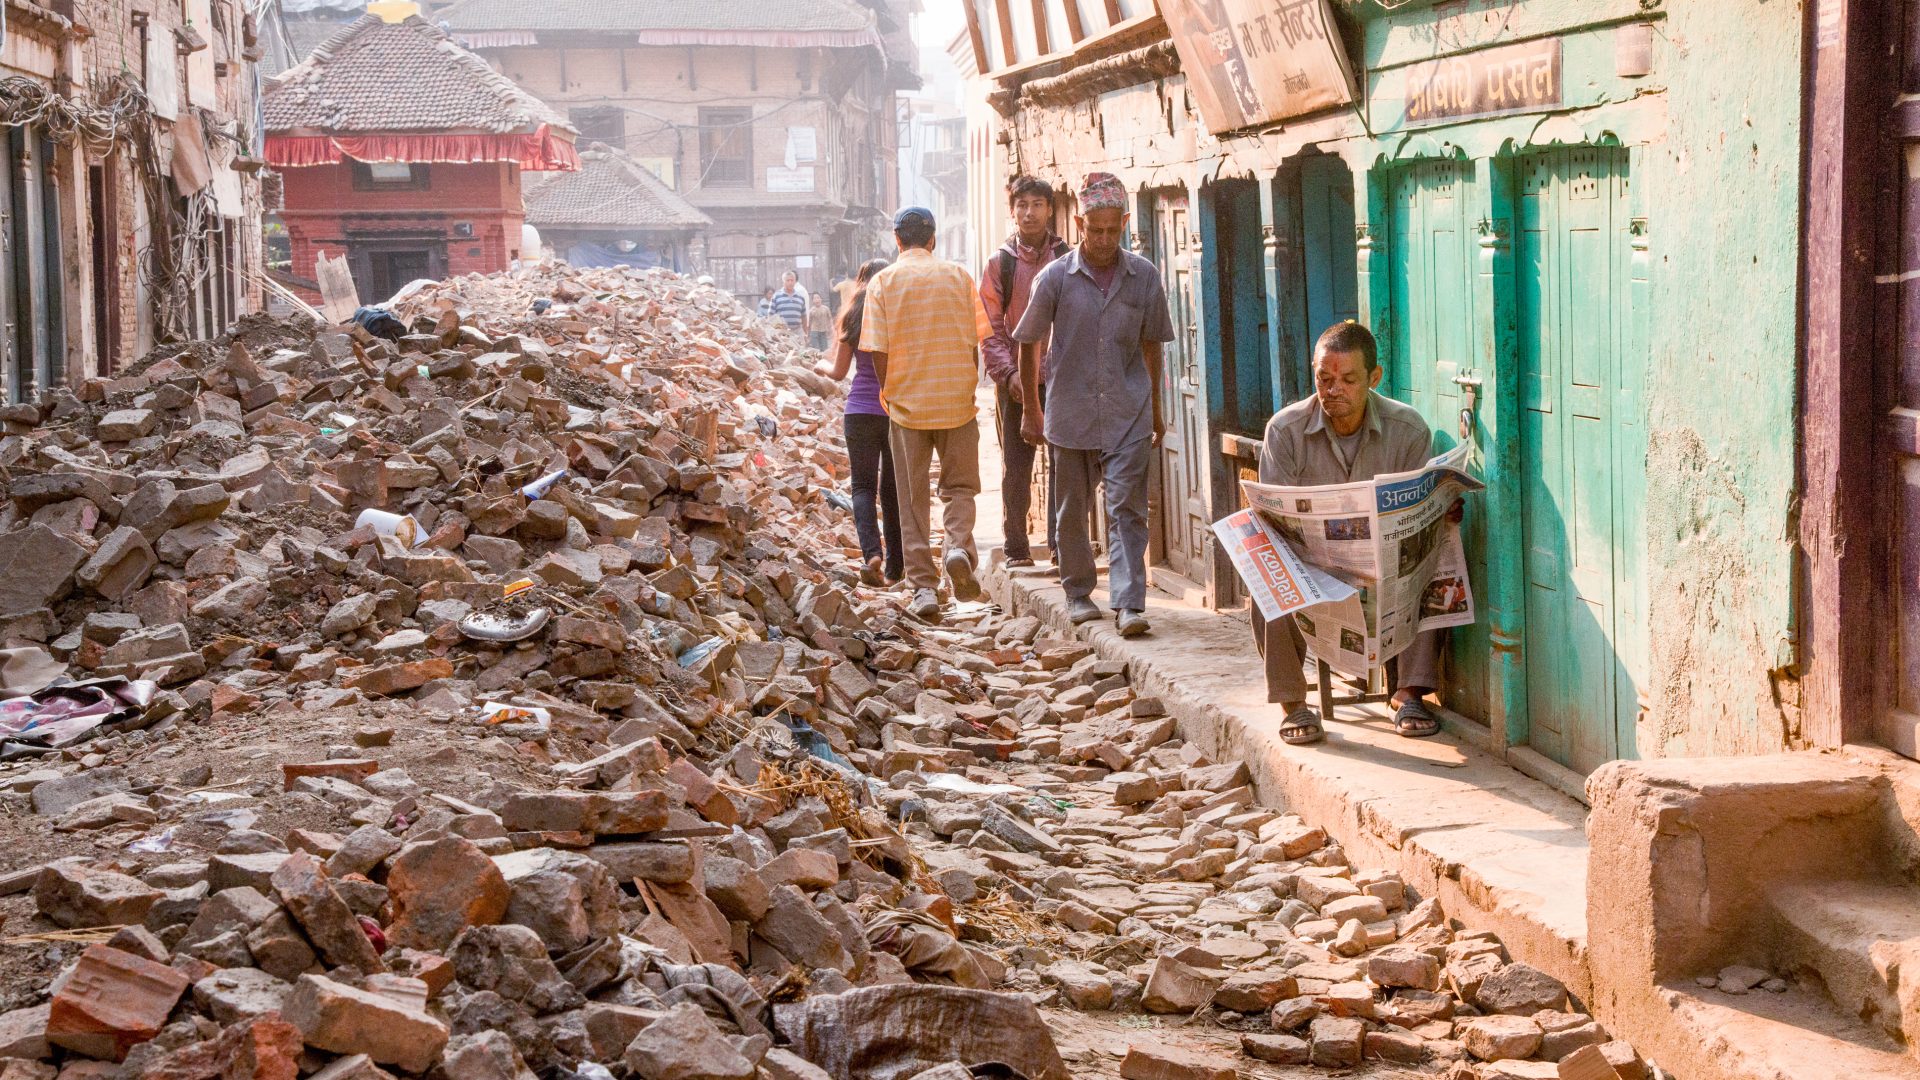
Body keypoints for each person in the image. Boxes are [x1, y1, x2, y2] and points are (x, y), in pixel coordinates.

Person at [1254, 320, 1455, 744]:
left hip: (1384, 571)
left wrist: (1441, 509)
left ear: (1374, 378)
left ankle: (1409, 692)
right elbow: (1271, 520)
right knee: (1266, 574)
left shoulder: (1408, 429)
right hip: (1313, 568)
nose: (1333, 390)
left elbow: (1419, 511)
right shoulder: (1285, 431)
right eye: (1324, 379)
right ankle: (1294, 703)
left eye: (1347, 379)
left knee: (1442, 552)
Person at [1012, 172, 1173, 638]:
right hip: (1070, 410)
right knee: (1072, 510)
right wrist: (1030, 410)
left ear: (1124, 223)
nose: (1103, 240)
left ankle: (1128, 605)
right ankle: (1079, 593)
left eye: (1112, 230)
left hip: (1128, 412)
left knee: (1127, 508)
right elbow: (1029, 342)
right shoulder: (1055, 278)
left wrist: (1156, 409)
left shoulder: (1144, 276)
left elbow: (1152, 346)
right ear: (1079, 222)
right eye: (1094, 230)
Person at [859, 206, 988, 622]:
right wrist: (965, 383)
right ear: (933, 239)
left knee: (912, 498)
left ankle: (924, 589)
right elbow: (975, 342)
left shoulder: (882, 282)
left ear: (897, 240)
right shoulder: (959, 277)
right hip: (956, 400)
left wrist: (887, 391)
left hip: (908, 404)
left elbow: (877, 349)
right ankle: (956, 547)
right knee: (961, 486)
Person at [980, 176, 1069, 568]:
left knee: (1065, 465)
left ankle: (1060, 545)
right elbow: (989, 327)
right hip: (1015, 383)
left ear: (1050, 209)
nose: (1029, 212)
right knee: (1016, 467)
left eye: (1037, 204)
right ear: (1012, 210)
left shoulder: (1068, 258)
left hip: (1063, 380)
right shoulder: (1001, 263)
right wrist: (1010, 375)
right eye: (1022, 205)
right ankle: (1016, 548)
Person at [813, 258, 902, 586]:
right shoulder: (897, 313)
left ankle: (871, 555)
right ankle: (896, 569)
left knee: (862, 487)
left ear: (860, 281)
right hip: (895, 411)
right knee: (892, 490)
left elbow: (837, 372)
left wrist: (818, 367)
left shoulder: (851, 316)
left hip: (859, 411)